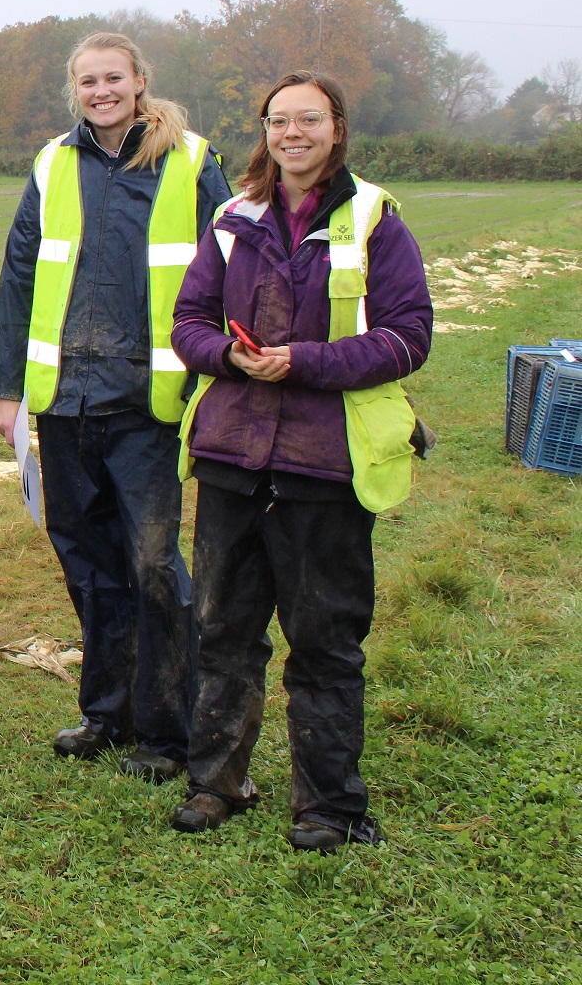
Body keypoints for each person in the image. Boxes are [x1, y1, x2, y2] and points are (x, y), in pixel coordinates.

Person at [169, 69, 431, 851]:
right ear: (266, 131)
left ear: (337, 128)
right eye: (280, 121)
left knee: (324, 642)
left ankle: (329, 807)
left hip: (326, 463)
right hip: (232, 455)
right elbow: (186, 321)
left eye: (308, 121)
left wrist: (306, 360)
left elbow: (407, 334)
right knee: (222, 631)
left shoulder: (376, 219)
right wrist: (227, 355)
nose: (293, 134)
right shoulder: (233, 216)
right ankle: (216, 783)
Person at [0, 31, 232, 779]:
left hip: (149, 402)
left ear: (140, 81)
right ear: (75, 90)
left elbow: (229, 264)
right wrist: (6, 390)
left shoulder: (191, 160)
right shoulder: (54, 164)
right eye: (87, 81)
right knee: (86, 561)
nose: (101, 91)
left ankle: (167, 730)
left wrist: (222, 377)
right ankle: (106, 712)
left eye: (113, 78)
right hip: (66, 401)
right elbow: (21, 273)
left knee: (152, 564)